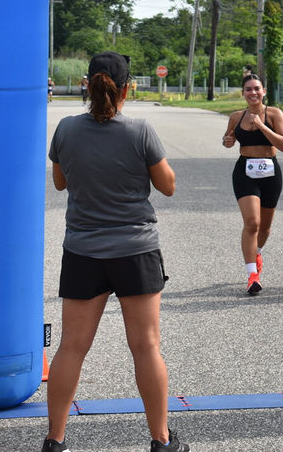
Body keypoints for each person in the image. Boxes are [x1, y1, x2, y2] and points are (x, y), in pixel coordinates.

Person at [44, 52, 187, 452]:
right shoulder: (140, 131)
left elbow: (60, 182)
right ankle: (160, 441)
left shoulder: (67, 130)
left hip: (83, 251)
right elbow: (168, 186)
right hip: (135, 251)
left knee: (71, 346)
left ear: (86, 85)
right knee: (146, 346)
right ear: (127, 88)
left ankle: (55, 440)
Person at [221, 74, 283, 295]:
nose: (253, 93)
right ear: (243, 93)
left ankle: (256, 252)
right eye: (248, 89)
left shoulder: (274, 114)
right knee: (252, 222)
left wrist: (261, 126)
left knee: (265, 227)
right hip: (245, 172)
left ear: (264, 91)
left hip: (270, 171)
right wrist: (227, 141)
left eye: (257, 89)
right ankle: (252, 276)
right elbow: (227, 140)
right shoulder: (236, 116)